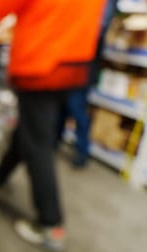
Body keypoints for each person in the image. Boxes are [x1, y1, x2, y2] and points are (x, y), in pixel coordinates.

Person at [0, 0, 105, 252]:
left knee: (37, 143)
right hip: (73, 66)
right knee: (30, 132)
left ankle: (51, 224)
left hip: (40, 64)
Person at [57, 0, 119, 168]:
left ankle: (81, 152)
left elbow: (95, 30)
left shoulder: (102, 7)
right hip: (72, 62)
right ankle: (55, 141)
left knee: (77, 107)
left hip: (83, 64)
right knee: (65, 104)